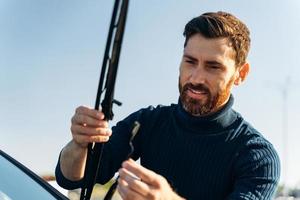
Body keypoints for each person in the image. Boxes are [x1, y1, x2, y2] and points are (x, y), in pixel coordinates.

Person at [56, 11, 280, 200]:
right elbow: (73, 177)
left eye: (213, 67)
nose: (196, 78)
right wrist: (79, 144)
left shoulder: (258, 156)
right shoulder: (146, 123)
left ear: (241, 74)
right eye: (190, 61)